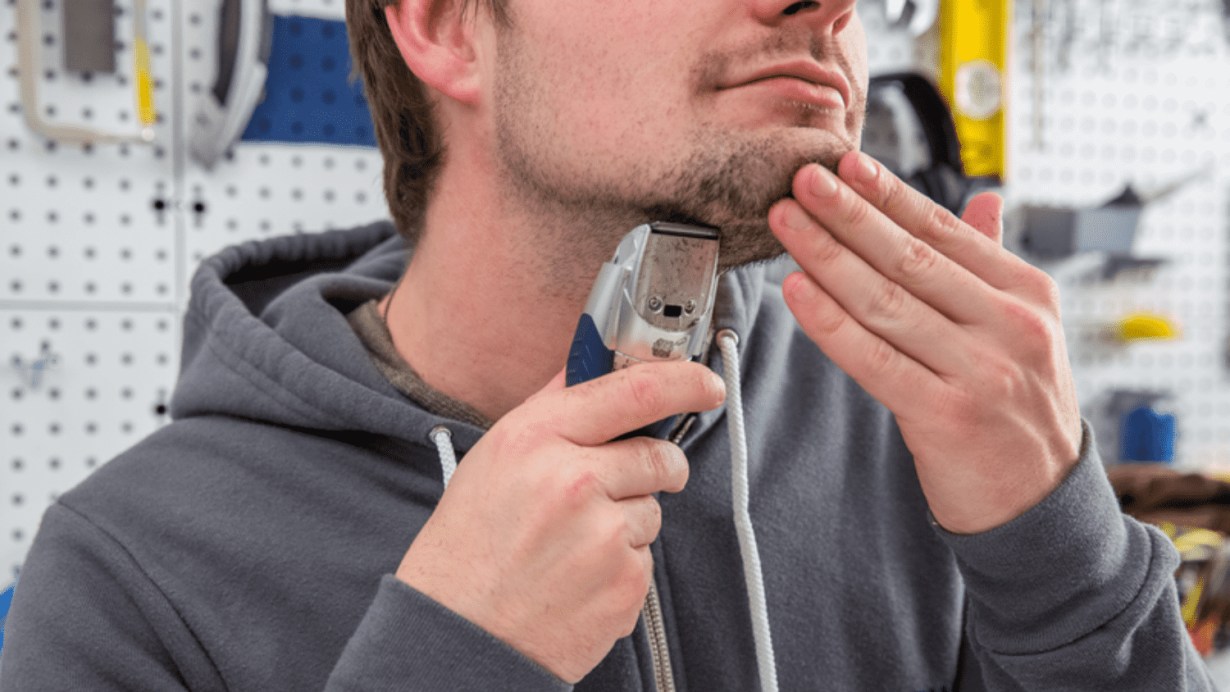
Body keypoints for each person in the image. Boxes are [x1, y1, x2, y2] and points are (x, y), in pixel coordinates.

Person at [0, 0, 1214, 689]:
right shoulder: (128, 577)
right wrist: (450, 662)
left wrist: (1068, 556)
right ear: (445, 25)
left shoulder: (916, 430)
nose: (830, 8)